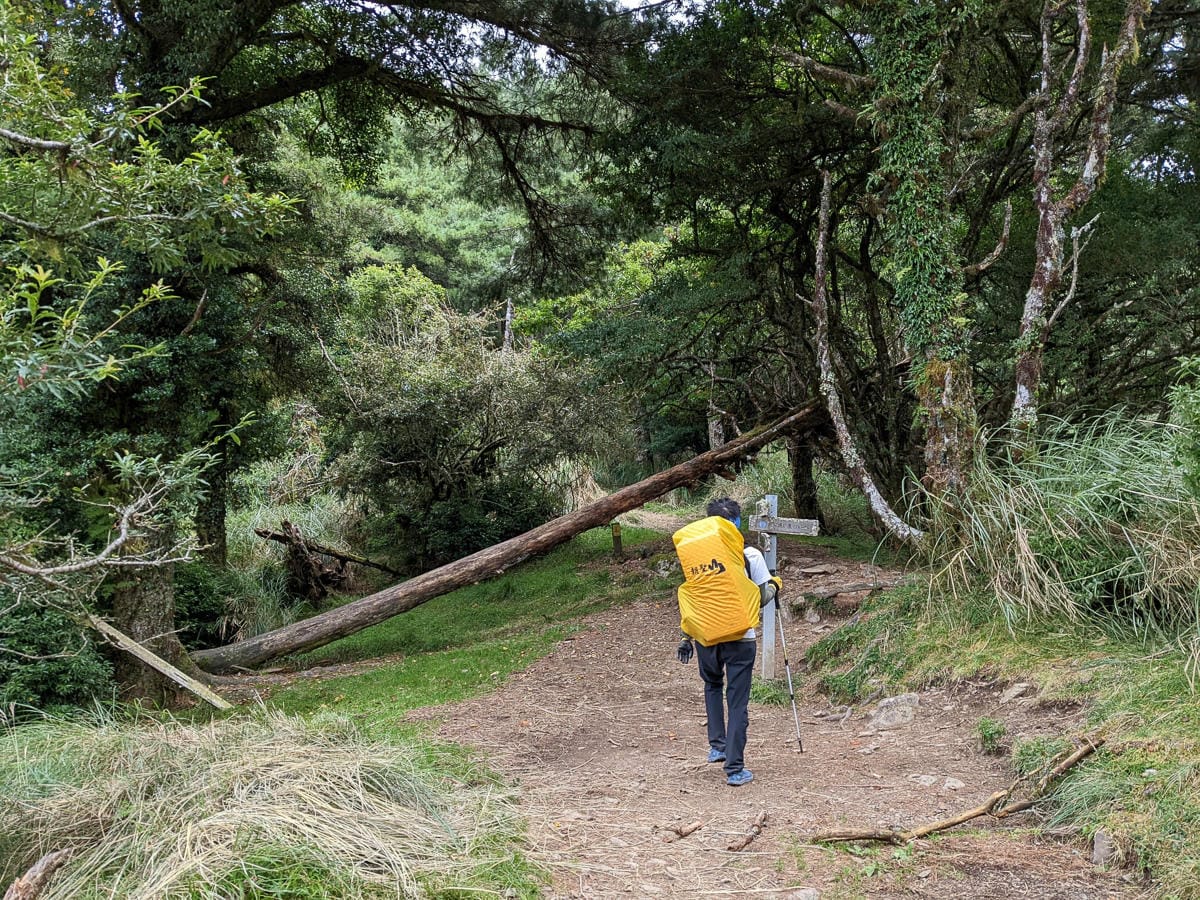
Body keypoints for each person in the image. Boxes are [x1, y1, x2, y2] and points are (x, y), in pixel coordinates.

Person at [674, 497, 779, 787]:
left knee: (712, 686)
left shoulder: (697, 557)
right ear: (737, 523)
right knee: (737, 701)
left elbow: (697, 598)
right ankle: (735, 769)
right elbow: (760, 598)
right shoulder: (750, 556)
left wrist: (686, 637)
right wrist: (775, 584)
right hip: (740, 638)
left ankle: (717, 746)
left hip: (706, 638)